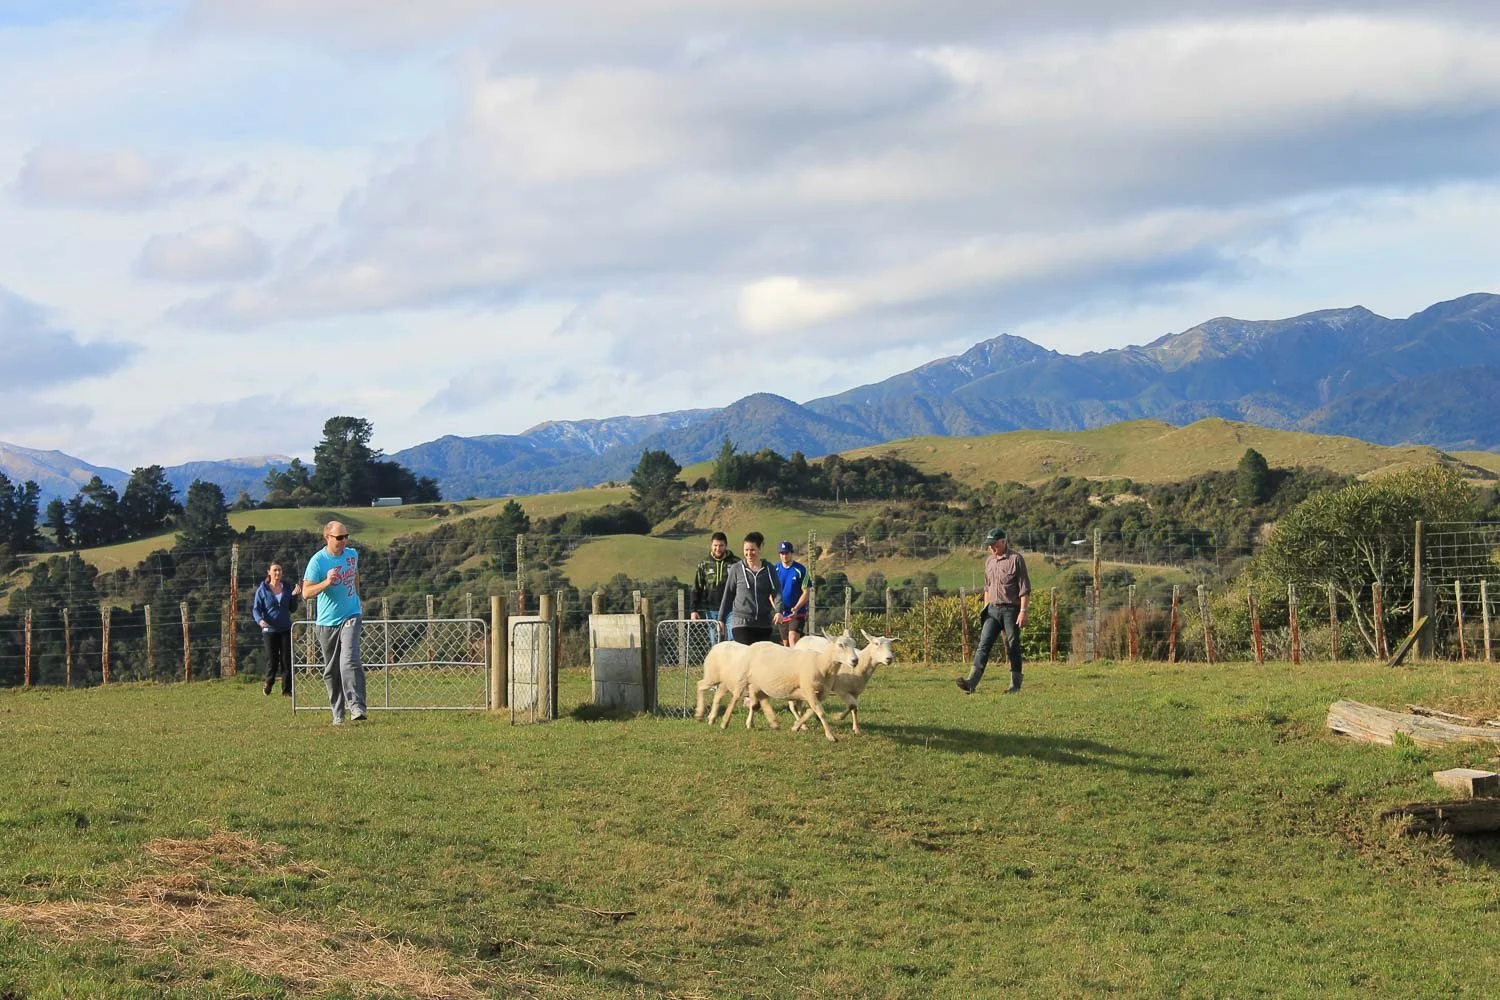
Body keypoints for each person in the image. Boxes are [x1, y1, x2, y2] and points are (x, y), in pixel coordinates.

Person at [302, 520, 367, 725]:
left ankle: (357, 707)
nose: (344, 540)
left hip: (351, 615)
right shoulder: (318, 562)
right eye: (339, 538)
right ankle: (338, 713)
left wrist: (357, 597)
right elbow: (306, 593)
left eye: (346, 536)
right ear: (327, 538)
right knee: (332, 670)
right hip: (327, 622)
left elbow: (355, 575)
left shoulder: (352, 554)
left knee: (349, 659)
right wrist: (326, 583)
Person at [956, 528, 1030, 695]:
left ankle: (1014, 686)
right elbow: (987, 587)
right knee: (984, 644)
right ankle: (971, 683)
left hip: (1011, 609)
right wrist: (985, 607)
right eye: (989, 545)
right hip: (992, 610)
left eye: (994, 545)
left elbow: (1024, 588)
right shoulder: (989, 561)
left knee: (1012, 646)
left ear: (1003, 542)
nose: (991, 548)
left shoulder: (1016, 559)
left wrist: (1023, 611)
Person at [717, 531, 778, 645]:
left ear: (760, 549)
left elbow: (777, 592)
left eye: (752, 550)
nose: (749, 553)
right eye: (746, 550)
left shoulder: (769, 569)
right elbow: (728, 595)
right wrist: (721, 618)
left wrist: (779, 611)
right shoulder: (736, 569)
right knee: (745, 657)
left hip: (763, 623)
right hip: (742, 623)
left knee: (760, 660)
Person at [252, 561, 301, 696]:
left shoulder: (287, 587)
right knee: (272, 660)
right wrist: (260, 621)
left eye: (279, 570)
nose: (277, 573)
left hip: (285, 628)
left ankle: (287, 690)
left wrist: (294, 596)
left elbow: (292, 608)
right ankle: (269, 682)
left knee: (286, 660)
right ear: (269, 572)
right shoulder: (262, 590)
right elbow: (256, 609)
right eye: (275, 570)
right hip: (270, 630)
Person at [690, 531, 740, 638]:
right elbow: (697, 587)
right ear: (711, 545)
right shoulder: (704, 564)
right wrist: (694, 609)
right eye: (715, 545)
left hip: (732, 608)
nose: (718, 548)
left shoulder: (736, 563)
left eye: (721, 545)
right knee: (715, 640)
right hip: (711, 609)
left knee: (734, 640)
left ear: (726, 545)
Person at [771, 540, 811, 646]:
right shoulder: (775, 569)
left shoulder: (800, 570)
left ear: (791, 553)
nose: (784, 556)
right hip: (782, 613)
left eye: (787, 553)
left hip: (797, 613)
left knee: (792, 638)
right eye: (782, 553)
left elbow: (806, 592)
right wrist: (777, 609)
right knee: (786, 644)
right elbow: (770, 593)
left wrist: (797, 607)